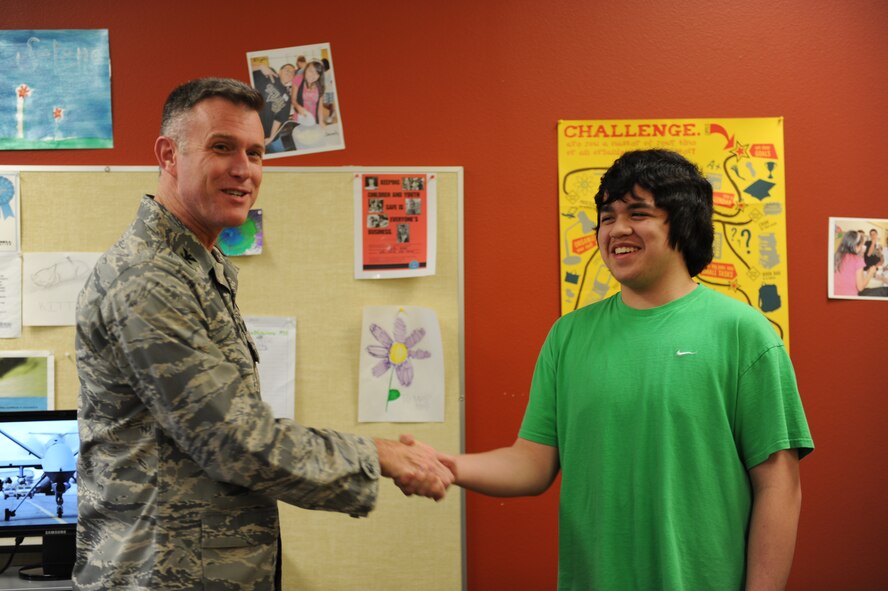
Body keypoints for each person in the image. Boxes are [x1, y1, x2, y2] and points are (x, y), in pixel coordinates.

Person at [74, 78, 452, 590]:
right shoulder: (149, 279)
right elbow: (232, 439)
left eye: (255, 153)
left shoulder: (197, 267)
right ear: (169, 155)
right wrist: (376, 455)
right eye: (222, 147)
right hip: (159, 576)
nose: (244, 169)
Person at [435, 149, 814, 590]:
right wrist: (448, 466)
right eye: (607, 217)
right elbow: (531, 463)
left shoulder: (743, 332)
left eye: (638, 213)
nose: (616, 229)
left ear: (683, 223)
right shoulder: (567, 336)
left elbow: (779, 486)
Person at [834, 229, 877, 296]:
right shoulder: (858, 260)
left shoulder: (837, 256)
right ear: (856, 245)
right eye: (861, 245)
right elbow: (860, 287)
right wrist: (870, 273)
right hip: (849, 296)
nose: (862, 247)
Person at [291, 60, 329, 128]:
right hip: (300, 119)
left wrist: (321, 121)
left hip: (314, 120)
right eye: (310, 71)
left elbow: (320, 106)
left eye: (317, 73)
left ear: (319, 76)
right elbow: (293, 99)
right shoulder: (298, 79)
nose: (313, 75)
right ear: (306, 69)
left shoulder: (320, 86)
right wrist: (298, 107)